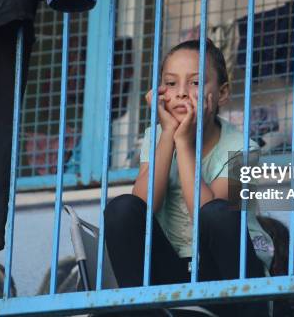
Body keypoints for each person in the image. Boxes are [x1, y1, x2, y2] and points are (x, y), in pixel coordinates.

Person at [104, 39, 273, 317]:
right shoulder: (156, 137)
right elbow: (143, 207)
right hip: (171, 270)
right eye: (170, 83)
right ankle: (140, 311)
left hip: (225, 276)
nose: (181, 93)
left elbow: (209, 216)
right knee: (122, 208)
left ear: (222, 93)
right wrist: (168, 134)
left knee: (218, 213)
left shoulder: (242, 148)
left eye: (195, 83)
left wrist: (184, 143)